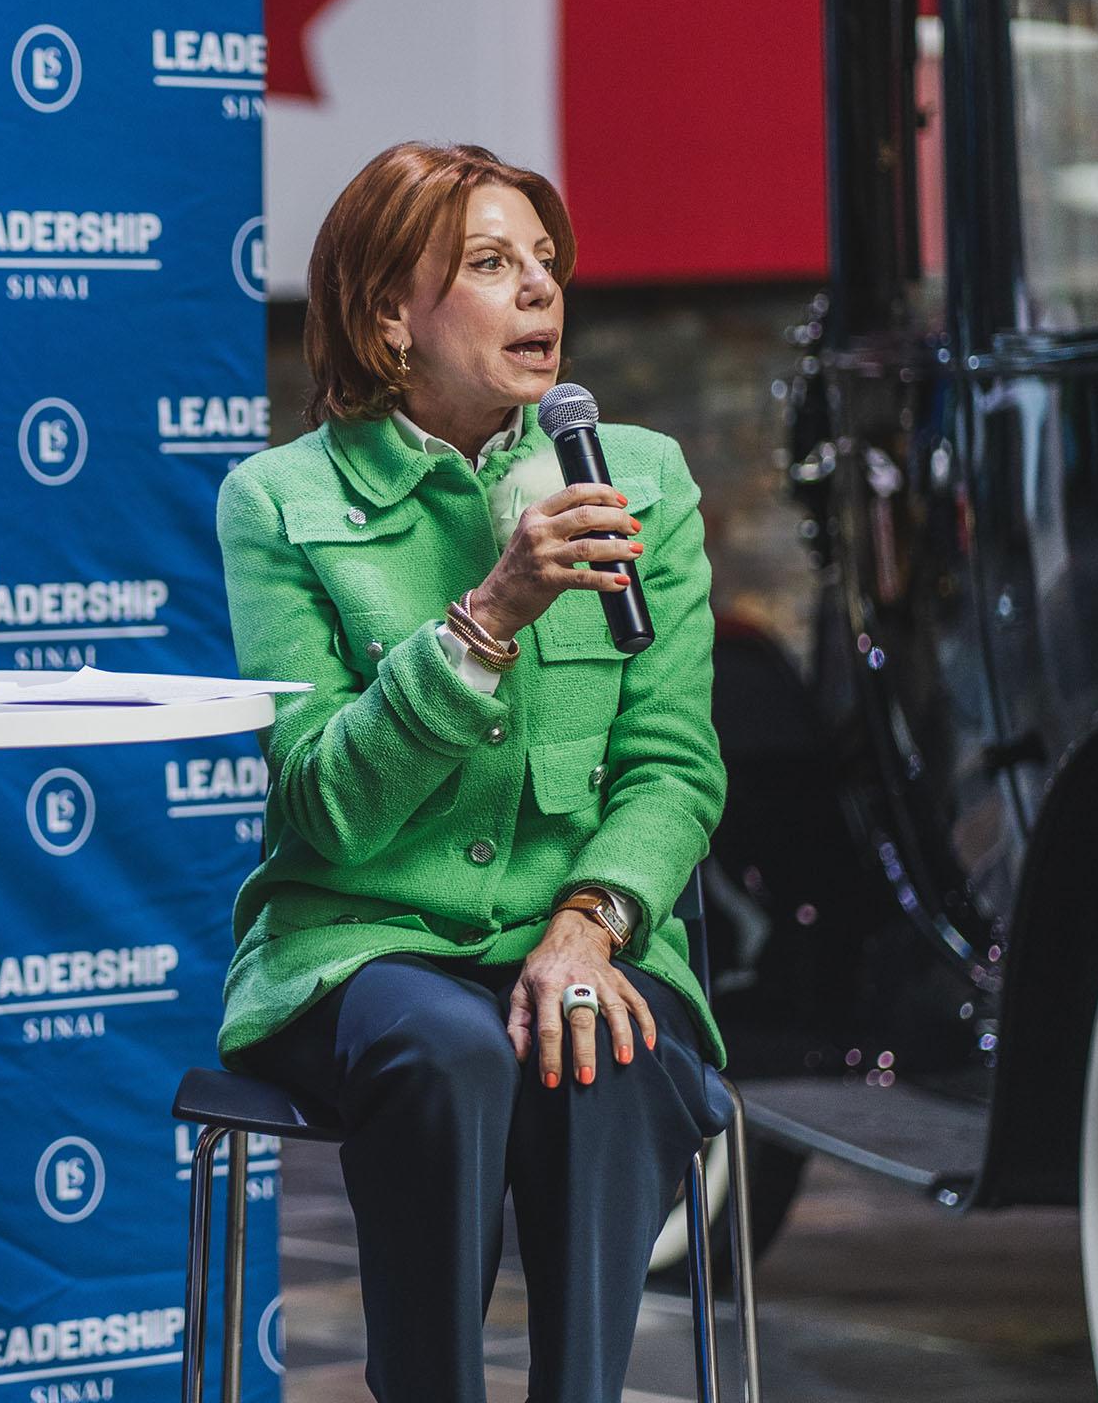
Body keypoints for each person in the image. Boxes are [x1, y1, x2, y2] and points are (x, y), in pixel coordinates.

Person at [214, 141, 728, 1402]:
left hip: (580, 931)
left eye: (544, 263)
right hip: (360, 942)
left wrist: (590, 919)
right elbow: (321, 809)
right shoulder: (280, 502)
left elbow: (673, 766)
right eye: (492, 266)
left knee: (597, 1045)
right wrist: (486, 616)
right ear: (391, 314)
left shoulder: (638, 478)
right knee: (449, 1052)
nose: (541, 291)